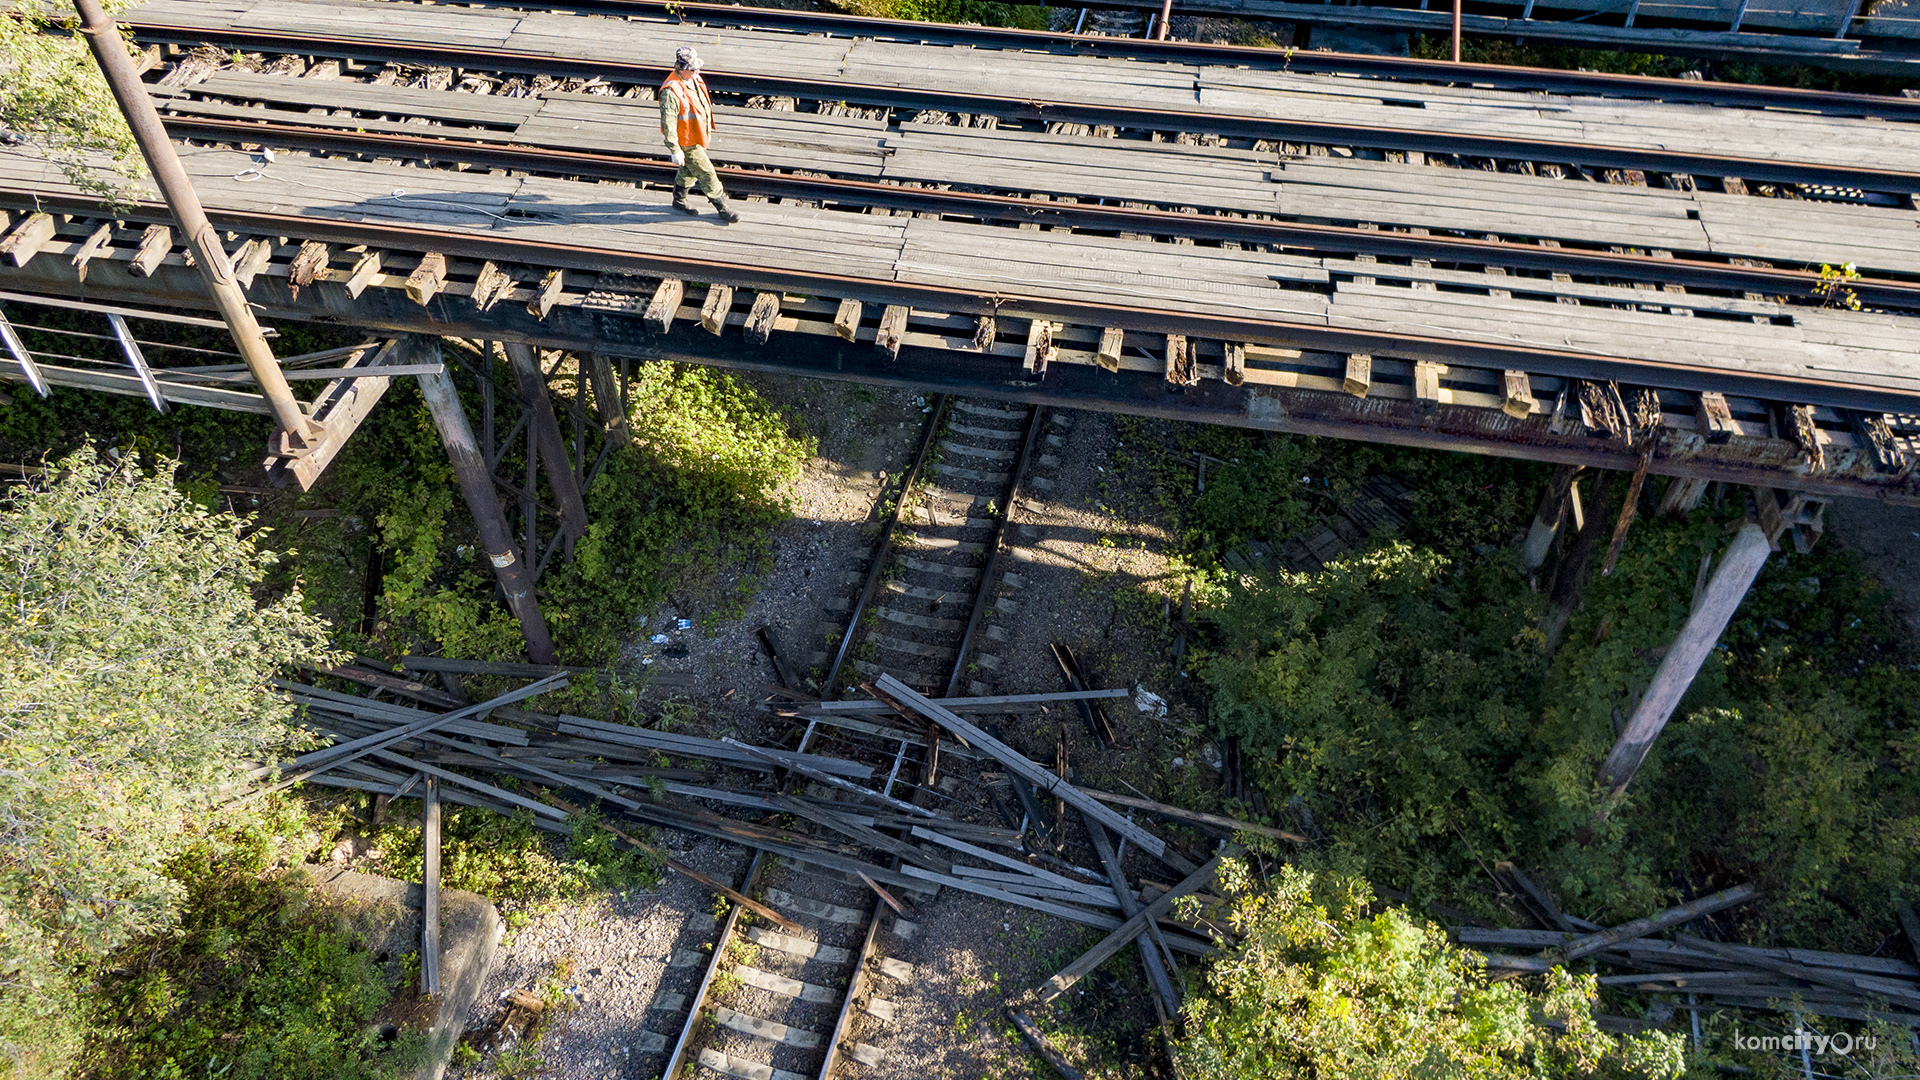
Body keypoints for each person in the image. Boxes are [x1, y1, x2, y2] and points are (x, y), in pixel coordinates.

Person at [659, 46, 738, 224]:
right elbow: (668, 123)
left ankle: (679, 201)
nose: (698, 71)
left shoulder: (693, 79)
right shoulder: (671, 91)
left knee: (688, 170)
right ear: (683, 69)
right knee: (707, 173)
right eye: (694, 69)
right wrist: (675, 149)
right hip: (687, 141)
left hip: (697, 136)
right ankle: (722, 208)